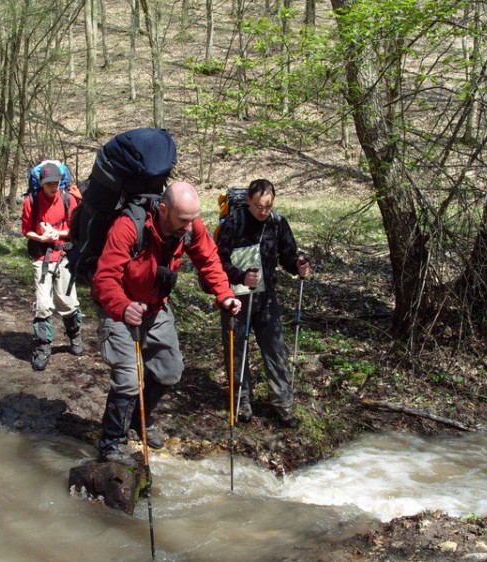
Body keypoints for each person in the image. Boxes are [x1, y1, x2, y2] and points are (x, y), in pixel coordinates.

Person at [92, 181, 242, 466]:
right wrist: (123, 307)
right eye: (183, 220)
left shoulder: (191, 228)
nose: (189, 227)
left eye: (193, 219)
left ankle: (139, 418)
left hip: (154, 307)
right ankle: (112, 443)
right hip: (119, 308)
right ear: (163, 210)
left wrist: (225, 295)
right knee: (127, 378)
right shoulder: (128, 226)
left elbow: (209, 261)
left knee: (170, 370)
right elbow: (104, 278)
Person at [216, 179, 311, 428]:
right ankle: (242, 401)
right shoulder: (234, 224)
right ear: (248, 200)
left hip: (266, 298)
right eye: (258, 206)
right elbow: (217, 262)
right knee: (237, 352)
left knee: (276, 349)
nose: (263, 211)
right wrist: (240, 276)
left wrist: (298, 266)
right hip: (235, 298)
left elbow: (288, 255)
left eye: (268, 206)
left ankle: (283, 404)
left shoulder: (277, 223)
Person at [21, 161, 83, 371]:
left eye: (56, 182)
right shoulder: (31, 201)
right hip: (42, 257)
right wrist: (41, 237)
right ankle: (43, 347)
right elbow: (26, 230)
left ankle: (75, 336)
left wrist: (58, 234)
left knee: (68, 302)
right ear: (41, 183)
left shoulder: (68, 199)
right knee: (43, 304)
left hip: (64, 255)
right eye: (49, 184)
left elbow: (75, 228)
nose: (53, 187)